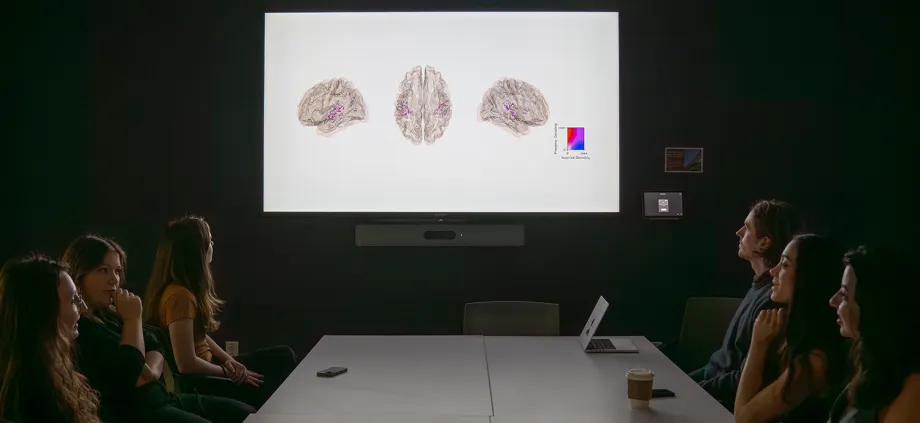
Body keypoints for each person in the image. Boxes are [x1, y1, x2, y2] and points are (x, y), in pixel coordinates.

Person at [63, 234, 255, 423]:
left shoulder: (110, 315)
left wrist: (151, 372)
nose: (114, 280)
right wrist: (133, 319)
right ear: (79, 275)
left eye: (117, 271)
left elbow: (154, 341)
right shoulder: (80, 328)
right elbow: (135, 376)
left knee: (247, 413)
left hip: (164, 397)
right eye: (103, 270)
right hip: (139, 412)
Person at [144, 215, 297, 409]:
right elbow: (186, 363)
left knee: (283, 356)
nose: (213, 245)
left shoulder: (185, 291)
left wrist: (229, 361)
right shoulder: (179, 297)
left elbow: (199, 336)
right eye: (209, 241)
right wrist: (227, 372)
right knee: (268, 386)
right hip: (202, 380)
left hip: (213, 366)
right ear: (197, 251)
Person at [689, 200, 807, 410]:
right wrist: (684, 382)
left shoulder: (773, 299)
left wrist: (692, 390)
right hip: (709, 388)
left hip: (720, 403)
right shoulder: (760, 286)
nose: (738, 232)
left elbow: (746, 376)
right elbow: (720, 363)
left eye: (748, 227)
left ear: (764, 243)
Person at [734, 234, 848, 423]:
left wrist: (758, 344)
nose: (773, 271)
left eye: (785, 265)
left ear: (808, 277)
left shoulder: (814, 361)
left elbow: (744, 418)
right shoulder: (789, 329)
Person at [0, 254, 102, 423]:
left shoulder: (51, 367)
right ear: (43, 311)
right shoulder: (32, 390)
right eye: (73, 300)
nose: (83, 308)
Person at [827, 246, 920, 423]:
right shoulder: (869, 363)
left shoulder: (915, 389)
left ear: (875, 306)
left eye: (845, 295)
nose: (833, 301)